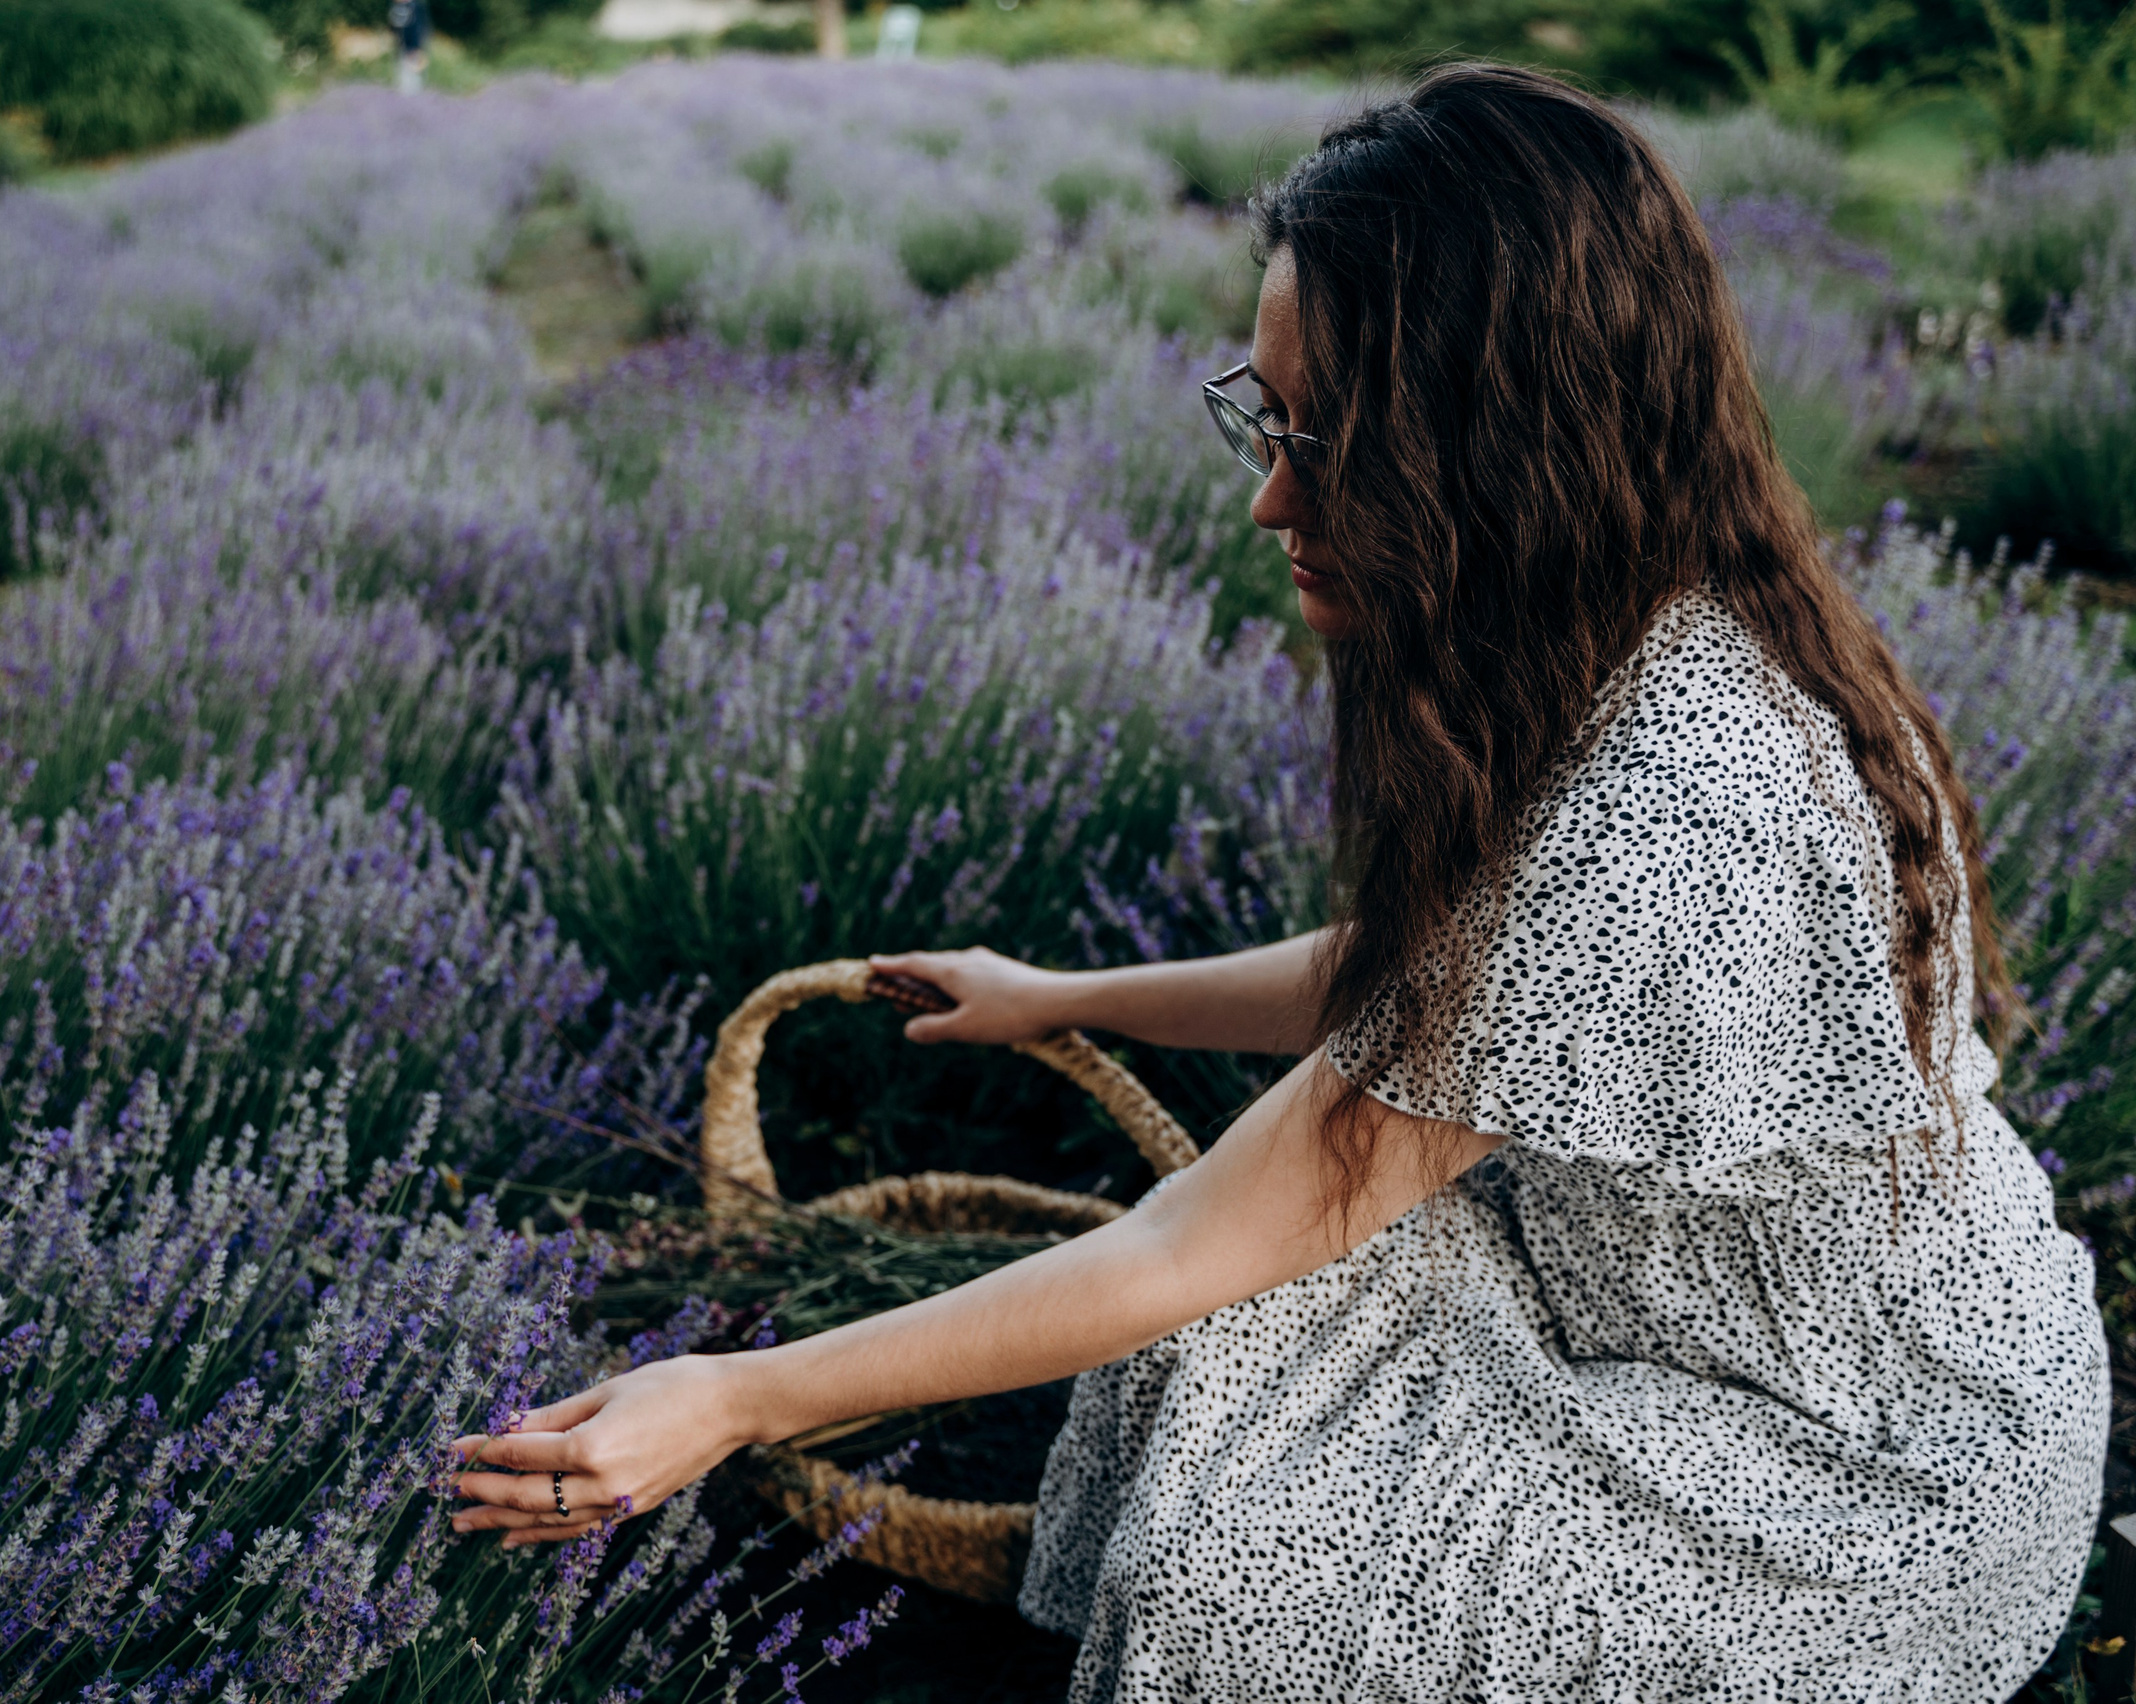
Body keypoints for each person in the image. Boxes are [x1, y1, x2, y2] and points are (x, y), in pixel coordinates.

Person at [453, 64, 2107, 1700]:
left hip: (1853, 1479)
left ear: (1502, 444)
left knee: (1242, 1534)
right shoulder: (1654, 630)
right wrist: (1070, 994)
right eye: (1265, 412)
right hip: (1749, 1338)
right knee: (1233, 1360)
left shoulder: (1680, 799)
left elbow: (1197, 1235)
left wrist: (741, 1394)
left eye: (1323, 438)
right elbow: (1459, 984)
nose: (1267, 494)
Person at [390, 0, 428, 95]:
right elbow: (395, 27)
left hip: (412, 45)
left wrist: (416, 46)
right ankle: (406, 96)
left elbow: (417, 28)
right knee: (403, 71)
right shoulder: (398, 7)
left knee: (413, 72)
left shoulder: (414, 7)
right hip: (402, 44)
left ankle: (412, 96)